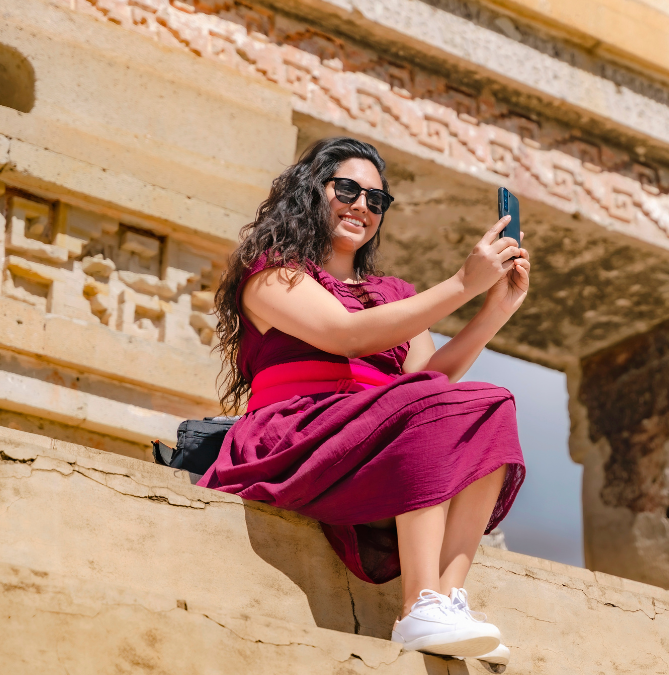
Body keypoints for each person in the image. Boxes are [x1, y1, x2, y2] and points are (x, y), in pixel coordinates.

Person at [198, 137, 529, 665]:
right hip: (299, 435)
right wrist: (464, 281)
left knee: (490, 404)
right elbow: (345, 335)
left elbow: (431, 383)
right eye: (348, 189)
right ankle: (419, 602)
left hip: (379, 434)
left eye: (377, 200)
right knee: (429, 402)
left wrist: (495, 311)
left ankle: (445, 597)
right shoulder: (273, 273)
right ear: (311, 189)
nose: (362, 206)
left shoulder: (395, 293)